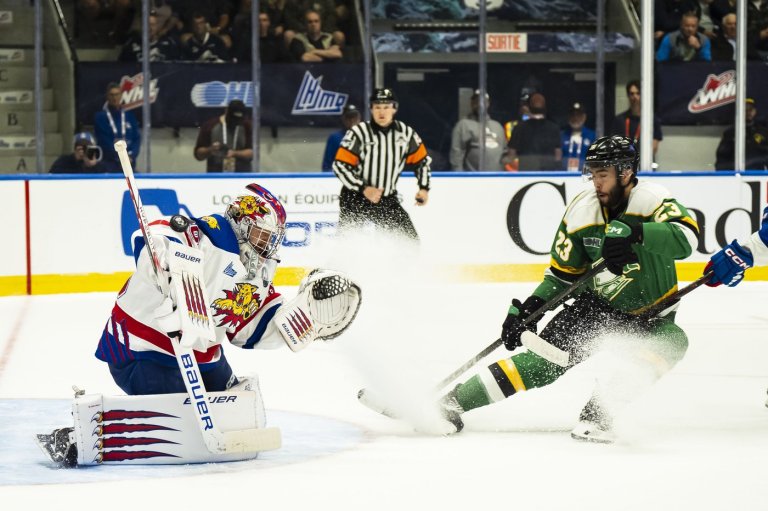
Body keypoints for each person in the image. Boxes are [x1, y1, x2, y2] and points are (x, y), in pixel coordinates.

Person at [37, 183, 361, 467]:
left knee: (234, 407)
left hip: (199, 357)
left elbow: (248, 329)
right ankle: (78, 436)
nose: (268, 246)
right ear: (242, 223)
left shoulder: (257, 272)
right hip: (141, 352)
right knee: (182, 417)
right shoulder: (205, 234)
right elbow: (154, 235)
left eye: (272, 239)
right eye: (263, 236)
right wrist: (160, 257)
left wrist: (307, 322)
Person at [438, 135, 700, 443]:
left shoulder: (652, 199)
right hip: (598, 310)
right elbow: (563, 276)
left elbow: (686, 239)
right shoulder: (581, 212)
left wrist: (636, 232)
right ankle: (451, 403)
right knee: (544, 363)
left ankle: (598, 415)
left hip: (651, 317)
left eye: (603, 174)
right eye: (593, 173)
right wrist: (532, 307)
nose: (596, 182)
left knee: (672, 341)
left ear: (626, 172)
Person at [332, 87, 431, 241]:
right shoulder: (358, 132)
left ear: (394, 108)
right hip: (355, 197)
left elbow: (422, 162)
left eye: (386, 107)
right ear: (371, 109)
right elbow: (340, 165)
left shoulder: (406, 133)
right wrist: (364, 188)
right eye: (377, 107)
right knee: (348, 243)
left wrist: (423, 189)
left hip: (386, 199)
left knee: (410, 242)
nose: (382, 112)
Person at [449, 89, 506, 171]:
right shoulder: (463, 125)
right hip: (474, 177)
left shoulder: (498, 126)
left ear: (488, 104)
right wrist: (458, 176)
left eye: (484, 102)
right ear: (472, 104)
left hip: (498, 176)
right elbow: (456, 154)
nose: (480, 104)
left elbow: (505, 153)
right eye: (476, 101)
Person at [504, 92, 562, 171]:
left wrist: (502, 161)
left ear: (529, 107)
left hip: (527, 174)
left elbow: (511, 155)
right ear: (545, 108)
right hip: (547, 174)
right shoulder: (554, 128)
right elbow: (558, 156)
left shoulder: (519, 128)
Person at [610, 79, 663, 163]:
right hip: (624, 165)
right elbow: (615, 146)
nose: (635, 97)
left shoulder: (651, 120)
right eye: (632, 94)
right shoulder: (620, 120)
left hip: (645, 165)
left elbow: (654, 147)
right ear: (628, 96)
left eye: (638, 93)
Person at [194, 99, 254, 172]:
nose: (235, 122)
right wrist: (210, 150)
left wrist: (235, 153)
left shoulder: (247, 126)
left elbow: (253, 153)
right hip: (216, 174)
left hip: (242, 174)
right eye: (232, 119)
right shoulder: (210, 125)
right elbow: (198, 155)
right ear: (226, 111)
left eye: (238, 120)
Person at [94, 82, 141, 173]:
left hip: (129, 163)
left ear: (121, 95)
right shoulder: (100, 117)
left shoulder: (130, 116)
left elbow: (136, 139)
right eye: (111, 95)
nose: (114, 98)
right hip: (109, 165)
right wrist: (121, 157)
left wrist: (131, 156)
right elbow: (104, 141)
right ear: (107, 96)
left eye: (117, 94)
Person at [715, 98, 768, 170]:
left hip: (757, 174)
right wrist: (724, 174)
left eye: (751, 109)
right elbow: (721, 159)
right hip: (736, 174)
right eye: (745, 109)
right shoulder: (731, 133)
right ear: (740, 111)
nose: (748, 112)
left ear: (755, 111)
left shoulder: (763, 132)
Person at [322, 104, 361, 171]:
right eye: (349, 118)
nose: (352, 121)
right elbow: (327, 167)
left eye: (355, 118)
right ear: (344, 119)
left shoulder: (366, 137)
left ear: (359, 119)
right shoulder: (334, 138)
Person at [561, 102, 597, 172]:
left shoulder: (592, 136)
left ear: (584, 117)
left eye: (579, 115)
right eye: (573, 115)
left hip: (585, 174)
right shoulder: (562, 135)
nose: (575, 118)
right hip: (564, 174)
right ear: (568, 117)